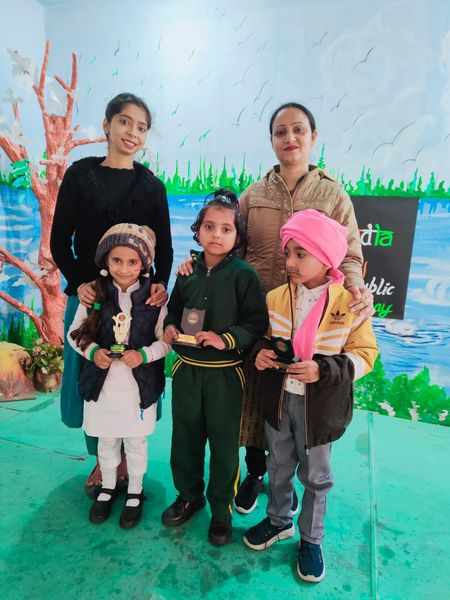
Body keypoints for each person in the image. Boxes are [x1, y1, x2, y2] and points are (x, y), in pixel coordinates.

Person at [177, 101, 373, 514]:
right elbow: (228, 245)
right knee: (256, 397)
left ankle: (292, 483)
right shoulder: (255, 193)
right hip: (259, 314)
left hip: (310, 315)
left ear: (313, 137)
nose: (290, 138)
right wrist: (196, 265)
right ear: (271, 140)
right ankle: (256, 473)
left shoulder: (332, 194)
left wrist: (355, 287)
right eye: (280, 131)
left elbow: (350, 254)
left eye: (298, 130)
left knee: (298, 398)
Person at [243, 209, 378, 582]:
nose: (290, 262)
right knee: (278, 465)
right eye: (288, 253)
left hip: (318, 410)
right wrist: (261, 353)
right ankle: (278, 521)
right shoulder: (276, 298)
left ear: (326, 256)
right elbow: (264, 339)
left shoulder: (349, 304)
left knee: (316, 477)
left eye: (300, 254)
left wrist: (323, 370)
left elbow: (366, 356)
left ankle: (311, 539)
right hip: (279, 402)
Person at [50, 93, 173, 497]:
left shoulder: (151, 186)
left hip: (137, 302)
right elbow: (59, 241)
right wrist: (78, 283)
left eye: (141, 127)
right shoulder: (79, 175)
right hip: (90, 298)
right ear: (107, 125)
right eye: (124, 122)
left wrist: (158, 286)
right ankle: (101, 459)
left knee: (133, 374)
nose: (132, 132)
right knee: (92, 372)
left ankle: (127, 457)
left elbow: (165, 248)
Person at [161, 189, 268, 546]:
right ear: (198, 231)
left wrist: (226, 339)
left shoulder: (245, 275)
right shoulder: (187, 271)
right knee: (184, 438)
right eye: (209, 226)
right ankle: (188, 496)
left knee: (224, 446)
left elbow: (256, 323)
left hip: (226, 375)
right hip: (187, 371)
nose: (216, 235)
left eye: (226, 229)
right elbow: (174, 311)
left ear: (238, 236)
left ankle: (221, 510)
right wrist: (170, 327)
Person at [68, 223, 170, 528]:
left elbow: (165, 341)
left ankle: (135, 492)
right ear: (105, 260)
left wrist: (143, 355)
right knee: (107, 440)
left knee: (136, 443)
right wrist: (92, 352)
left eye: (133, 262)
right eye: (116, 260)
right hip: (102, 387)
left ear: (144, 263)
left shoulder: (154, 300)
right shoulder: (94, 294)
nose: (124, 269)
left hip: (138, 389)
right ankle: (108, 488)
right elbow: (74, 334)